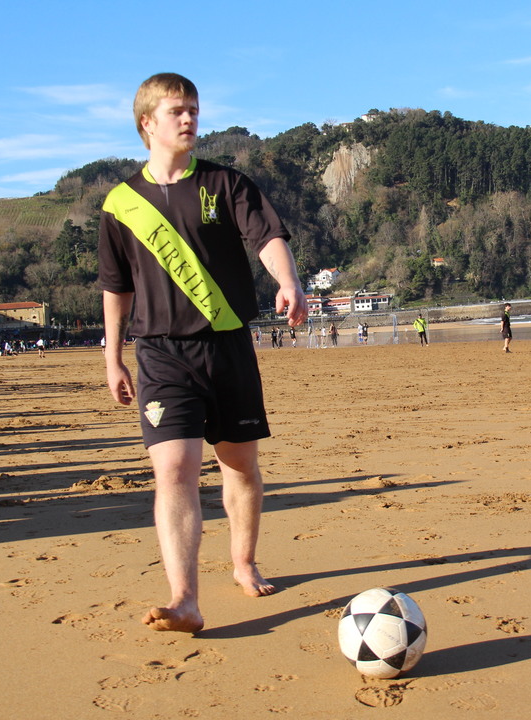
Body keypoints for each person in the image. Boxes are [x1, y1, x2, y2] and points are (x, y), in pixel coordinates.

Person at [98, 72, 308, 634]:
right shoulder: (120, 204)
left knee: (238, 464)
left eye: (193, 108)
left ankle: (243, 561)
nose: (189, 118)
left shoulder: (225, 183)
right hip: (161, 352)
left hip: (228, 344)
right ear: (147, 123)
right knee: (174, 469)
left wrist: (288, 281)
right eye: (177, 111)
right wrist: (112, 358)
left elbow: (267, 237)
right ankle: (185, 598)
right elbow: (116, 288)